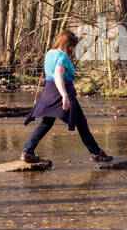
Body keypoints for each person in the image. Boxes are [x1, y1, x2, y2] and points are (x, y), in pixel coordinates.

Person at [22, 29, 113, 163]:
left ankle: (27, 151)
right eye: (72, 45)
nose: (73, 49)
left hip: (48, 91)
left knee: (46, 123)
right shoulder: (63, 56)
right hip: (62, 91)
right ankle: (96, 153)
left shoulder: (49, 53)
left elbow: (50, 74)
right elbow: (58, 76)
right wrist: (64, 95)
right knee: (81, 123)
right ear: (68, 43)